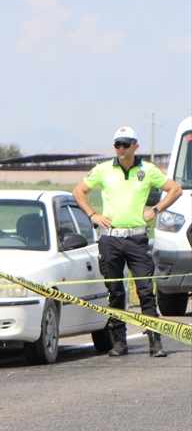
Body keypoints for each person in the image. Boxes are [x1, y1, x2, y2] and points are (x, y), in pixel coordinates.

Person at [74, 126, 183, 357]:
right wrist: (93, 215)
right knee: (115, 292)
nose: (121, 148)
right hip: (111, 240)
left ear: (136, 146)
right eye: (117, 145)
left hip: (137, 239)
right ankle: (119, 343)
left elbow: (175, 189)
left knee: (145, 291)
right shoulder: (103, 170)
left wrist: (156, 210)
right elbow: (79, 191)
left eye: (126, 144)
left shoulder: (147, 170)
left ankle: (155, 342)